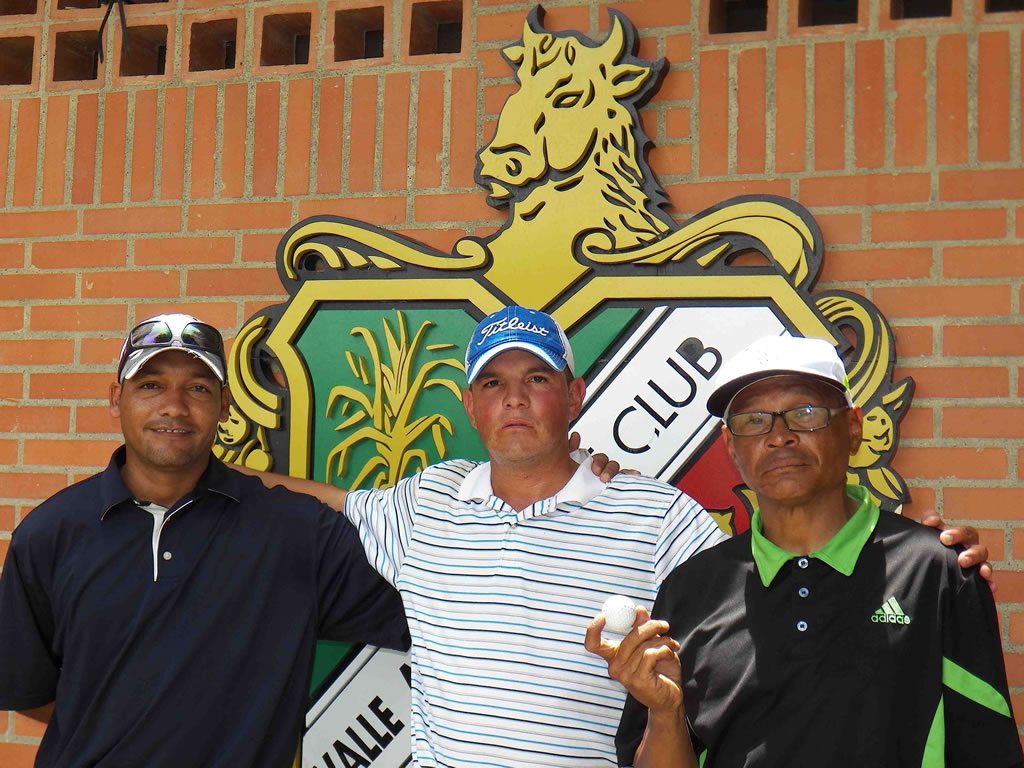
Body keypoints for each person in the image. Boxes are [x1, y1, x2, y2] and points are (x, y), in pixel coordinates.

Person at [263, 309, 991, 768]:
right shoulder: (428, 502)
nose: (514, 397)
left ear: (574, 396)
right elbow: (307, 499)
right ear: (470, 405)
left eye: (537, 378)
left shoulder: (657, 515)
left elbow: (769, 577)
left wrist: (910, 554)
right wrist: (200, 472)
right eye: (492, 383)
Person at [586, 335, 1022, 768]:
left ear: (853, 427)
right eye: (754, 420)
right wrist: (665, 713)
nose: (779, 437)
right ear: (731, 446)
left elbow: (987, 750)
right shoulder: (691, 591)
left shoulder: (936, 572)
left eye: (805, 413)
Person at [0, 314, 411, 768]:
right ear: (116, 399)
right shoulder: (50, 534)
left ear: (224, 404)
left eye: (197, 388)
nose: (174, 407)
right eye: (151, 385)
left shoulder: (297, 533)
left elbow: (439, 605)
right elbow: (30, 692)